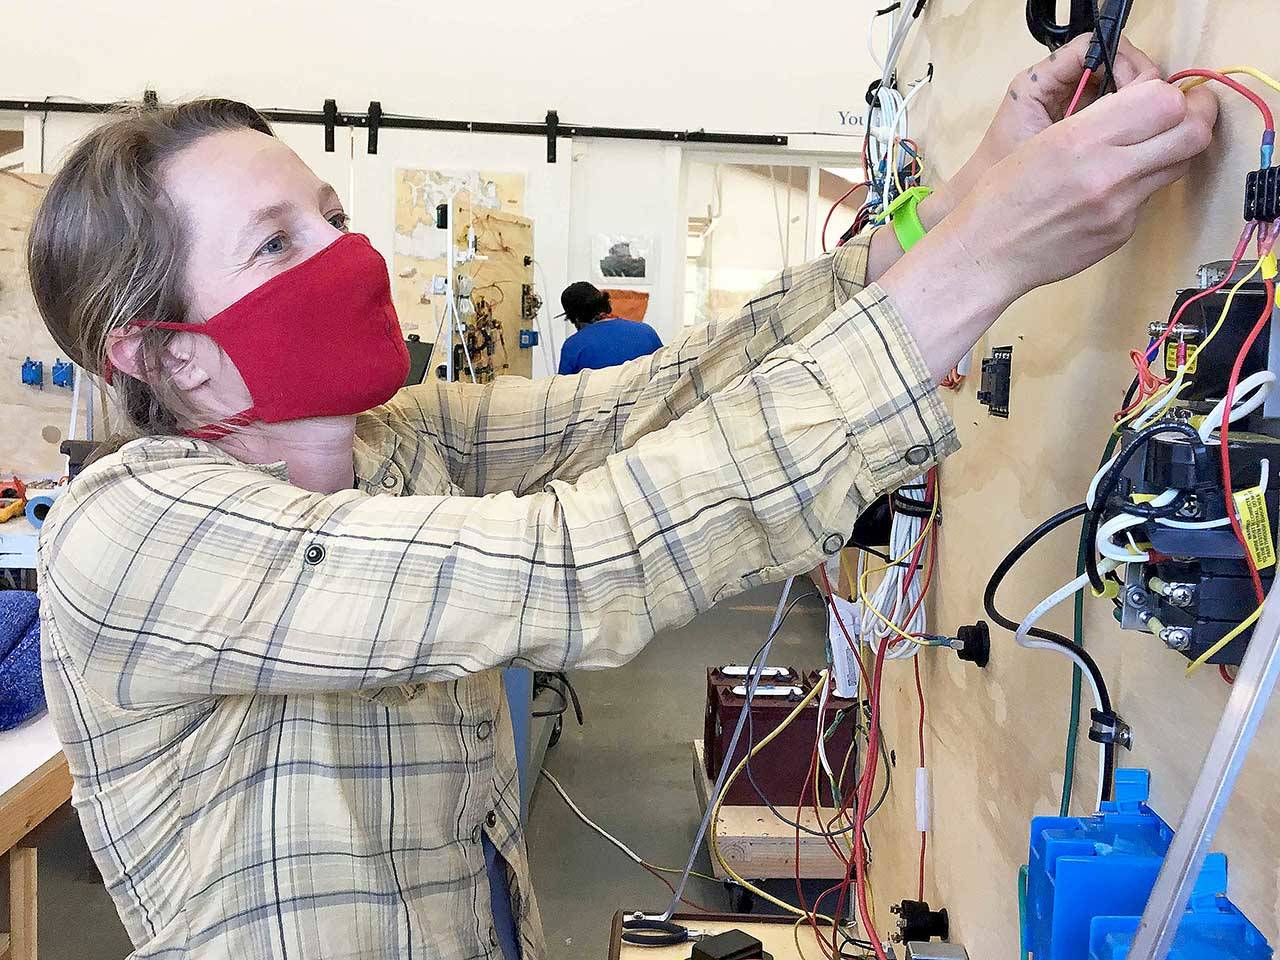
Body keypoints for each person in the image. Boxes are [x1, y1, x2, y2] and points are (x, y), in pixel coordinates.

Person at [27, 36, 1214, 960]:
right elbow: (578, 562)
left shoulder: (400, 444)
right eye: (276, 244)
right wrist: (988, 260)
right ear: (166, 353)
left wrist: (956, 206)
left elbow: (672, 392)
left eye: (330, 215)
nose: (346, 254)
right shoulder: (130, 532)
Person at [556, 281, 663, 374]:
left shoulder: (573, 345)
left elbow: (563, 392)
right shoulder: (647, 332)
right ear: (604, 304)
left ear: (576, 318)